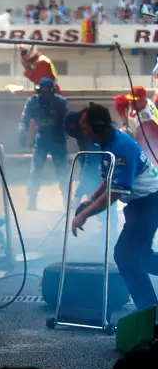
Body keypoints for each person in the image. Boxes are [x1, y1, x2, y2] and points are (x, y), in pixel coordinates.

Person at [71, 103, 158, 311]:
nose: (82, 131)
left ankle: (149, 311)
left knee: (125, 255)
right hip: (140, 205)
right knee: (142, 257)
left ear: (99, 127)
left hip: (149, 203)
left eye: (85, 127)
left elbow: (115, 193)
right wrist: (90, 202)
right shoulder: (106, 144)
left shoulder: (122, 148)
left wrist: (85, 215)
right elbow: (107, 182)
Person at [64, 109, 119, 235]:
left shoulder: (96, 142)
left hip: (100, 174)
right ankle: (107, 229)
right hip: (97, 174)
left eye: (84, 129)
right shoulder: (86, 136)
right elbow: (85, 165)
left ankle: (109, 230)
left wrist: (78, 194)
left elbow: (90, 169)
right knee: (96, 195)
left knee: (105, 201)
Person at [18, 78, 70, 210]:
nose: (45, 95)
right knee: (35, 170)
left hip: (57, 139)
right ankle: (32, 199)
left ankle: (67, 201)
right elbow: (24, 119)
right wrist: (22, 131)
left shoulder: (60, 102)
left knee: (63, 171)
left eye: (48, 92)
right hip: (41, 138)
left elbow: (67, 121)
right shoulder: (32, 102)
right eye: (43, 91)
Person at [18, 45, 62, 146]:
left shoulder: (42, 62)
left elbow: (39, 80)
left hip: (51, 98)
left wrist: (28, 69)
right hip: (49, 96)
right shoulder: (39, 61)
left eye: (24, 53)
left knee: (45, 124)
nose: (22, 57)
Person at [113, 85, 158, 167]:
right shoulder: (140, 105)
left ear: (142, 100)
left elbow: (142, 144)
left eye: (135, 100)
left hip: (151, 144)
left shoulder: (146, 119)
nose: (131, 102)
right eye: (130, 99)